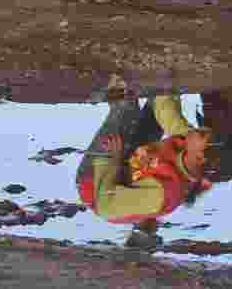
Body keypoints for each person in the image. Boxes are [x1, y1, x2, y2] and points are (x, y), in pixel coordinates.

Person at [75, 95, 215, 230]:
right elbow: (165, 108)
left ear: (199, 157)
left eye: (203, 134)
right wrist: (167, 85)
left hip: (97, 185)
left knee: (126, 106)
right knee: (155, 100)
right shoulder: (189, 142)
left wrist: (114, 160)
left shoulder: (163, 194)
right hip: (133, 165)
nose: (201, 129)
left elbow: (106, 207)